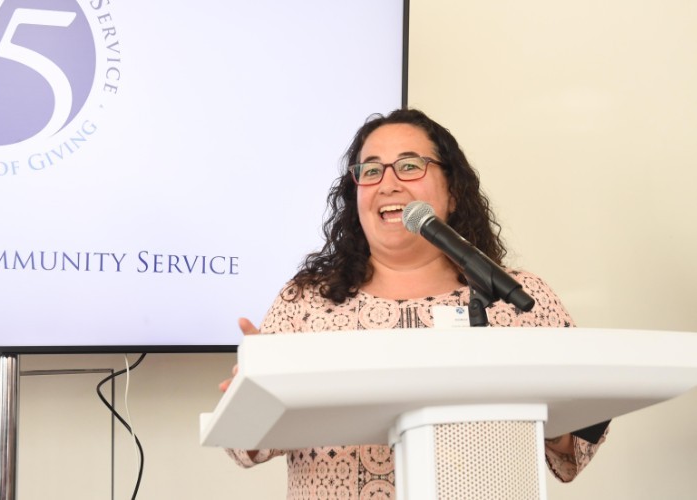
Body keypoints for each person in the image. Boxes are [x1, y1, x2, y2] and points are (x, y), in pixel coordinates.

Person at [219, 108, 608, 498]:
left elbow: (580, 442)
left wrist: (545, 411)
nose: (387, 184)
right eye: (371, 171)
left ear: (453, 192)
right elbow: (243, 446)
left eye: (409, 166)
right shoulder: (306, 301)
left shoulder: (517, 296)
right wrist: (254, 396)